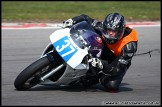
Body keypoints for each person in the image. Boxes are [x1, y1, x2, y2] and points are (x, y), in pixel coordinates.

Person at [62, 13, 138, 92]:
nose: (110, 33)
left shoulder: (129, 46)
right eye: (108, 30)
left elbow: (117, 68)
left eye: (114, 31)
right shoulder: (102, 26)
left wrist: (102, 65)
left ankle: (97, 77)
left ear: (120, 31)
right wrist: (72, 20)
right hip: (105, 49)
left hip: (116, 60)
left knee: (112, 85)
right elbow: (85, 18)